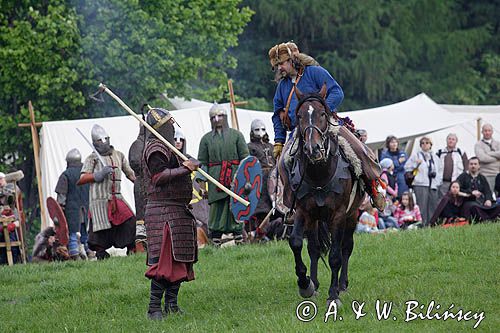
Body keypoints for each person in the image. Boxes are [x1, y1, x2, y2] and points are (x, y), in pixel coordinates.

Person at [268, 43, 386, 210]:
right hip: (299, 131)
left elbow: (337, 92)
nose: (279, 68)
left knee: (358, 150)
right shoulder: (282, 86)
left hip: (327, 124)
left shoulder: (315, 72)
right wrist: (279, 142)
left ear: (292, 60)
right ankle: (293, 207)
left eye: (282, 63)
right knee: (283, 164)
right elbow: (277, 114)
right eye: (277, 65)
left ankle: (373, 190)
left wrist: (322, 112)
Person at [142, 108, 199, 320]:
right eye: (169, 124)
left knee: (179, 261)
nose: (173, 127)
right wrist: (186, 168)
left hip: (177, 210)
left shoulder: (167, 147)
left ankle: (172, 305)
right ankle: (154, 308)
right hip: (163, 212)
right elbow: (158, 177)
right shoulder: (156, 148)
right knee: (164, 263)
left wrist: (187, 163)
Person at [77, 124, 136, 260]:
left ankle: (132, 249)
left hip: (117, 197)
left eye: (105, 139)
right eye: (100, 140)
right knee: (99, 230)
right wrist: (98, 175)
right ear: (94, 143)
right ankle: (101, 253)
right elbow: (82, 178)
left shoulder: (119, 155)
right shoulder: (92, 158)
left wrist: (140, 184)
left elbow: (130, 174)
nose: (103, 142)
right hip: (99, 200)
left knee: (129, 221)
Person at [196, 102, 249, 246]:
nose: (217, 119)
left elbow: (246, 159)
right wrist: (202, 186)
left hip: (235, 178)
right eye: (213, 117)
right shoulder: (206, 139)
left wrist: (246, 180)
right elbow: (202, 164)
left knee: (235, 209)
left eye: (220, 116)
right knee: (217, 211)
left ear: (225, 117)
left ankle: (239, 239)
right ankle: (216, 242)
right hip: (215, 180)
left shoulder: (237, 135)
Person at [55, 148, 92, 260]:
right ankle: (88, 251)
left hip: (72, 209)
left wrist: (59, 209)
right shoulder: (86, 173)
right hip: (85, 207)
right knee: (84, 230)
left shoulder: (66, 175)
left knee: (72, 232)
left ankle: (74, 252)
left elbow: (62, 196)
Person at [246, 119, 276, 233]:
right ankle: (258, 232)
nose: (260, 132)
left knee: (272, 204)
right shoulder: (249, 147)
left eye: (262, 129)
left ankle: (271, 231)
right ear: (252, 132)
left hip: (272, 179)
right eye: (257, 129)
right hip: (258, 179)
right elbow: (247, 166)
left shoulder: (271, 146)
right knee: (260, 207)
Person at [404, 137, 442, 226]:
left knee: (432, 205)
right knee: (422, 205)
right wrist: (416, 164)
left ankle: (432, 224)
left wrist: (438, 181)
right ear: (420, 145)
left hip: (432, 184)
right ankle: (422, 224)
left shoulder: (435, 157)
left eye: (427, 143)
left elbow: (440, 170)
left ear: (430, 145)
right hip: (420, 184)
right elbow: (407, 168)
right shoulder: (416, 155)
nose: (425, 144)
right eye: (423, 143)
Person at [456, 157, 500, 222]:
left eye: (475, 164)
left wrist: (488, 200)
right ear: (468, 165)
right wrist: (471, 192)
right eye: (471, 164)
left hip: (482, 202)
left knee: (497, 206)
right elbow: (457, 190)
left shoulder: (482, 178)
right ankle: (487, 219)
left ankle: (491, 218)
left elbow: (487, 191)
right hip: (468, 202)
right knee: (474, 207)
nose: (473, 166)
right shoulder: (463, 177)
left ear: (479, 166)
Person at [128, 124, 148, 252]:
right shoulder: (138, 144)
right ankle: (141, 248)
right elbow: (135, 162)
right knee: (142, 218)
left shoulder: (152, 143)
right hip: (142, 184)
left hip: (152, 183)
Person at [436, 133, 468, 198]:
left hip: (456, 183)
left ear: (456, 141)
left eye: (453, 139)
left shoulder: (460, 152)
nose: (451, 141)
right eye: (449, 139)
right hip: (443, 182)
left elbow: (466, 167)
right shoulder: (440, 152)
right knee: (442, 200)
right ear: (446, 140)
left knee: (455, 200)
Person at [474, 124, 500, 192]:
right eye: (485, 131)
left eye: (489, 130)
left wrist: (489, 153)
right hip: (486, 174)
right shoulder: (478, 145)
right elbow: (482, 158)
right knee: (488, 196)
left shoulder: (498, 143)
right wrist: (497, 158)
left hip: (498, 173)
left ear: (492, 132)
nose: (487, 132)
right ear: (482, 132)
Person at [378, 158, 399, 229]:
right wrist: (393, 192)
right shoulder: (384, 174)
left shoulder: (392, 174)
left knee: (392, 208)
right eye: (392, 164)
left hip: (392, 196)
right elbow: (385, 185)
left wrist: (395, 192)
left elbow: (396, 184)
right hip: (387, 195)